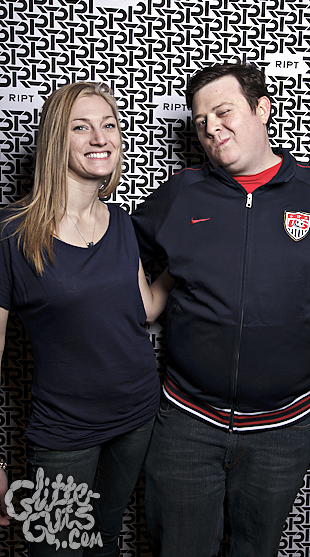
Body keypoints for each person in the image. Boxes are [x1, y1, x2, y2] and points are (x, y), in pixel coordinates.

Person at [132, 62, 310, 557]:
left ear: (262, 110)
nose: (211, 128)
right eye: (200, 120)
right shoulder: (181, 193)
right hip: (187, 424)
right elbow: (118, 247)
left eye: (223, 112)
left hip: (281, 430)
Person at [0, 82, 172, 556]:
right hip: (64, 430)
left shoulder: (121, 222)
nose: (100, 138)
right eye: (81, 127)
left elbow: (143, 309)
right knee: (57, 547)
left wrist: (183, 264)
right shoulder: (12, 232)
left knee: (106, 538)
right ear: (57, 139)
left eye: (108, 125)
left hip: (137, 415)